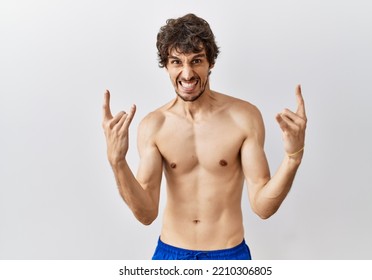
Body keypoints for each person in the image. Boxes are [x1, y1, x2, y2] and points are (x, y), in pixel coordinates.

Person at [102, 13, 307, 260]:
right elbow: (146, 214)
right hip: (171, 254)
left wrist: (292, 158)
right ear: (166, 66)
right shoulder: (154, 125)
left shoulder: (243, 117)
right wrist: (118, 162)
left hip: (229, 255)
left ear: (211, 62)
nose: (187, 74)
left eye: (196, 60)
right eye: (177, 62)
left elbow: (263, 207)